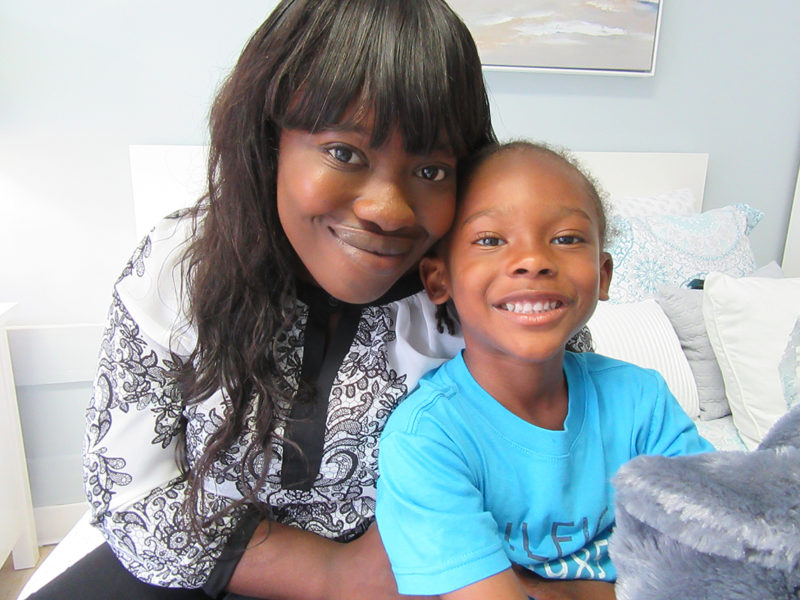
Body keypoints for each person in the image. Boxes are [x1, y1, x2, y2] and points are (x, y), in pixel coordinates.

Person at [28, 1, 495, 599]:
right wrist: (334, 575)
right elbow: (130, 497)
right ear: (271, 141)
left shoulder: (492, 285)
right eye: (344, 152)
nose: (388, 210)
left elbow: (562, 458)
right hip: (202, 568)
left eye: (431, 171)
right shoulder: (181, 265)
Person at [375, 141, 715, 600]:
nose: (533, 260)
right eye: (490, 240)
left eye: (566, 238)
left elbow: (716, 549)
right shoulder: (427, 439)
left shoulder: (641, 400)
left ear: (603, 274)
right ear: (440, 279)